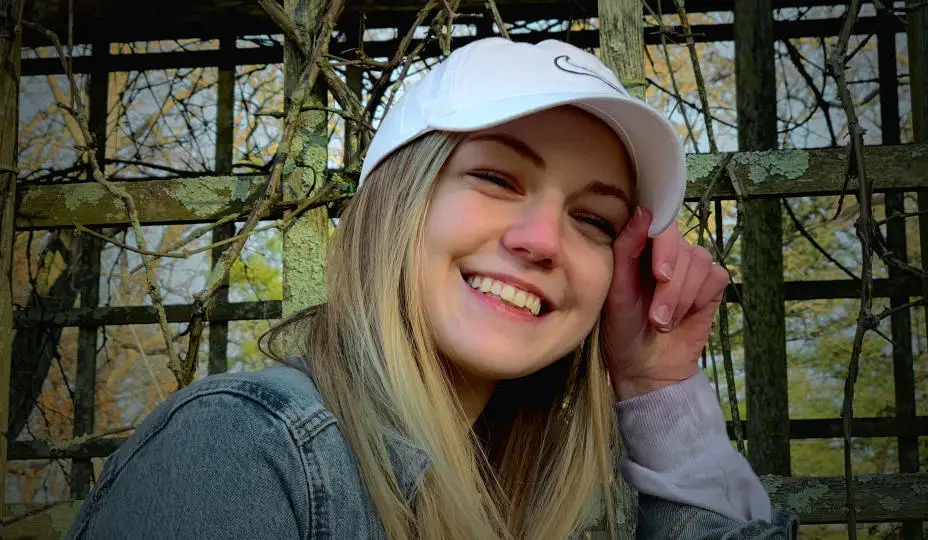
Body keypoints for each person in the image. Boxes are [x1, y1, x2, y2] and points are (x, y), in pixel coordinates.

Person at [66, 38, 798, 539]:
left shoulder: (500, 492)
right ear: (396, 204)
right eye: (495, 178)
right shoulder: (250, 448)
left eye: (593, 219)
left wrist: (656, 384)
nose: (542, 241)